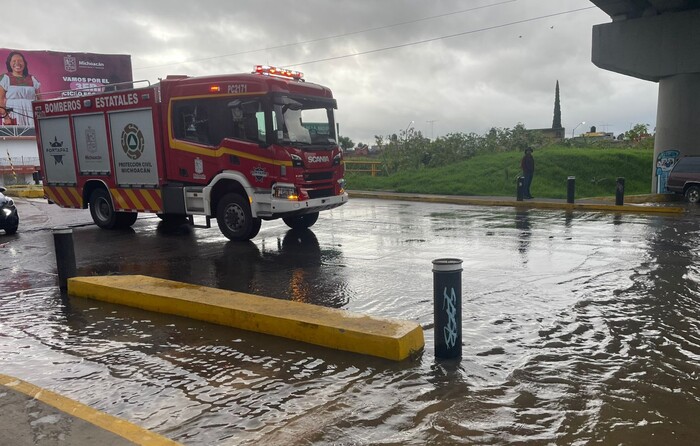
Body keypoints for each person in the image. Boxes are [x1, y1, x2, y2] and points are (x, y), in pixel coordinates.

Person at [0, 51, 41, 126]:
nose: (17, 63)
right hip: (13, 113)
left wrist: (40, 116)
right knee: (17, 135)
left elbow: (40, 100)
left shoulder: (32, 79)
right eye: (14, 61)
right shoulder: (5, 78)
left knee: (33, 135)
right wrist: (6, 117)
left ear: (24, 63)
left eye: (20, 61)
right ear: (9, 63)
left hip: (31, 112)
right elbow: (1, 100)